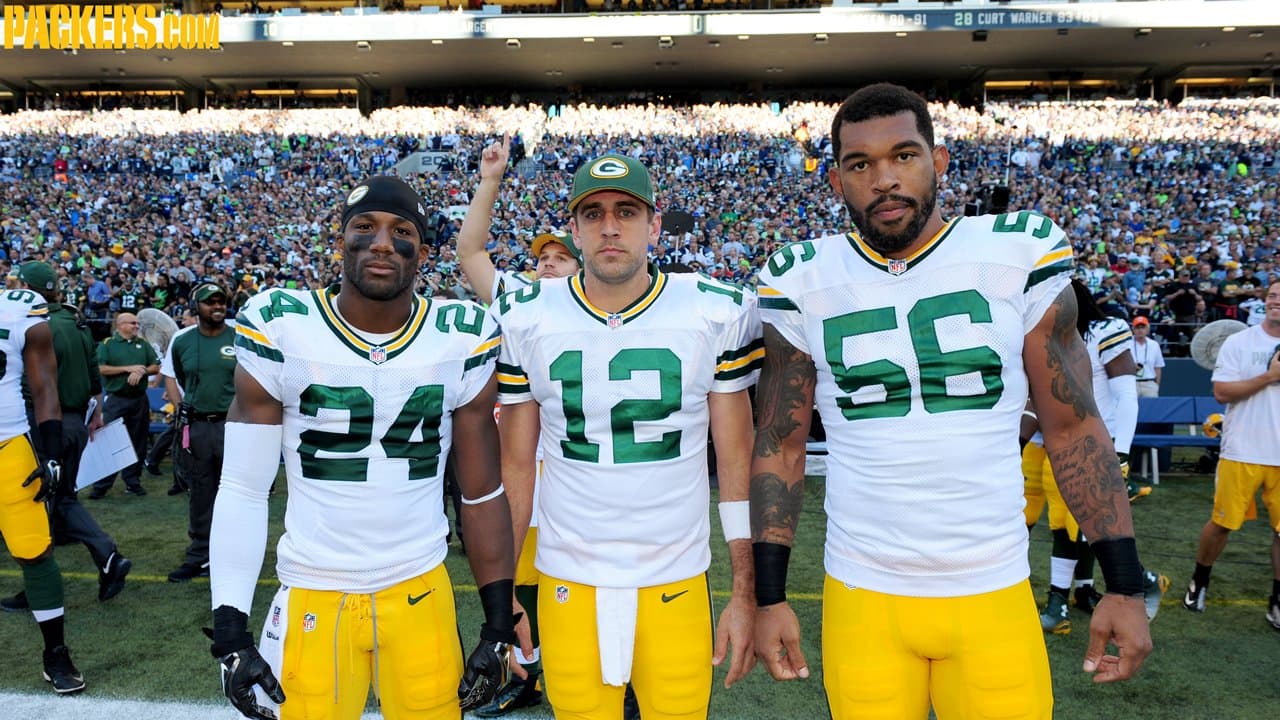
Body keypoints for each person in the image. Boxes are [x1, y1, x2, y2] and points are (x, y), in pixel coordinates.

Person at [749, 84, 1152, 719]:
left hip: (990, 584)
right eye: (860, 164)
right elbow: (780, 443)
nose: (884, 179)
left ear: (938, 161)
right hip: (863, 590)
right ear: (835, 181)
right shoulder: (801, 276)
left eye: (903, 155)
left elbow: (1073, 428)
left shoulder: (1016, 251)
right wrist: (769, 595)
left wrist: (1124, 581)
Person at [207, 175, 520, 720]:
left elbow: (481, 493)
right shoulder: (282, 325)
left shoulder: (462, 334)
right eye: (365, 227)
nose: (382, 242)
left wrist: (497, 625)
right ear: (340, 241)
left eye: (401, 231)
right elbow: (242, 488)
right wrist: (230, 631)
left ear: (423, 252)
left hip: (419, 584)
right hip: (313, 586)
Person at [493, 153, 761, 720]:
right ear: (574, 228)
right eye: (592, 213)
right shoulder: (527, 314)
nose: (610, 226)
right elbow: (516, 467)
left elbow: (736, 464)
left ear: (654, 224)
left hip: (676, 578)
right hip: (568, 578)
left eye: (627, 211)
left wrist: (744, 589)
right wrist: (503, 591)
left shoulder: (713, 311)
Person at [457, 136, 584, 718]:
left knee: (582, 582)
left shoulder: (605, 308)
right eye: (542, 257)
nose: (546, 262)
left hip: (576, 472)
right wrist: (490, 180)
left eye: (559, 256)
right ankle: (524, 672)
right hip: (518, 466)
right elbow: (470, 252)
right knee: (512, 585)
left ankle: (610, 677)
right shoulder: (522, 302)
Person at [1027, 280, 1164, 636]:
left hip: (1087, 442)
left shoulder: (1106, 330)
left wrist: (1120, 449)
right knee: (1075, 526)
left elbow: (1125, 395)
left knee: (1071, 526)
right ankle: (1088, 588)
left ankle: (1060, 600)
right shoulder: (1034, 330)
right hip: (1046, 441)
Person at [0, 262, 132, 614]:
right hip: (76, 420)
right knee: (63, 497)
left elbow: (34, 386)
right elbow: (92, 378)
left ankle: (49, 581)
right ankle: (106, 556)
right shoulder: (76, 323)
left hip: (43, 423)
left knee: (41, 502)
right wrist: (95, 414)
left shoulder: (36, 324)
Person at [0, 282, 85, 693]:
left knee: (34, 551)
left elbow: (44, 385)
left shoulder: (20, 308)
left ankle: (56, 652)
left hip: (7, 446)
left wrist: (51, 454)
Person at [1184, 283, 1280, 630]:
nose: (1276, 302)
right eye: (1272, 296)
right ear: (1264, 301)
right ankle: (1199, 581)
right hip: (1244, 449)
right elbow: (1222, 392)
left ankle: (1277, 600)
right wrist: (1269, 377)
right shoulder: (1241, 342)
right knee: (1223, 523)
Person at [162, 282, 238, 583]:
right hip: (198, 427)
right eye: (210, 302)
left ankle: (233, 554)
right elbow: (177, 376)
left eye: (221, 302)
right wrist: (183, 409)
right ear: (196, 308)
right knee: (201, 490)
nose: (217, 307)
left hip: (233, 425)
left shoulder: (240, 337)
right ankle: (200, 553)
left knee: (235, 492)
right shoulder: (182, 340)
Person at [89, 311, 159, 499]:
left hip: (139, 399)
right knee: (111, 441)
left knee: (138, 442)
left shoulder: (143, 344)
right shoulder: (108, 345)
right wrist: (127, 368)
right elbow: (99, 368)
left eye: (137, 323)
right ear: (120, 325)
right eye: (133, 323)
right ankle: (102, 485)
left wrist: (141, 369)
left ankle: (133, 482)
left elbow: (155, 365)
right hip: (116, 399)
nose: (137, 326)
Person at [1131, 316, 1165, 398]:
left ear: (1147, 329)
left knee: (1152, 409)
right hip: (1132, 383)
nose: (1140, 330)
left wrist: (1156, 385)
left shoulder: (1154, 345)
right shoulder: (1127, 344)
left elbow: (1158, 367)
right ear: (1133, 329)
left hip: (1149, 383)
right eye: (1137, 327)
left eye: (1142, 327)